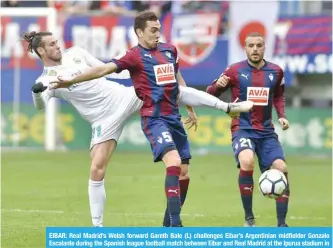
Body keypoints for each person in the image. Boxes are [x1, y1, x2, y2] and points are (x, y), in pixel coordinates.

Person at [49, 10, 253, 227]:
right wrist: (70, 81)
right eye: (153, 30)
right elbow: (103, 69)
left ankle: (168, 223)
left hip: (173, 116)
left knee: (184, 173)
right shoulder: (133, 56)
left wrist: (190, 108)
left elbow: (177, 79)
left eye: (159, 30)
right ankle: (176, 225)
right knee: (173, 163)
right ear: (139, 32)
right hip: (154, 118)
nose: (158, 34)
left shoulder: (169, 50)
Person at [206, 32, 290, 227]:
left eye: (258, 45)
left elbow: (278, 97)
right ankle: (249, 218)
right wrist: (217, 87)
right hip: (242, 128)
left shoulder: (276, 72)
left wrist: (282, 116)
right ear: (245, 48)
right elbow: (210, 94)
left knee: (282, 168)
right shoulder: (234, 70)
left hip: (267, 132)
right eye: (251, 45)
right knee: (247, 160)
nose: (255, 49)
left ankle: (282, 224)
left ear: (264, 47)